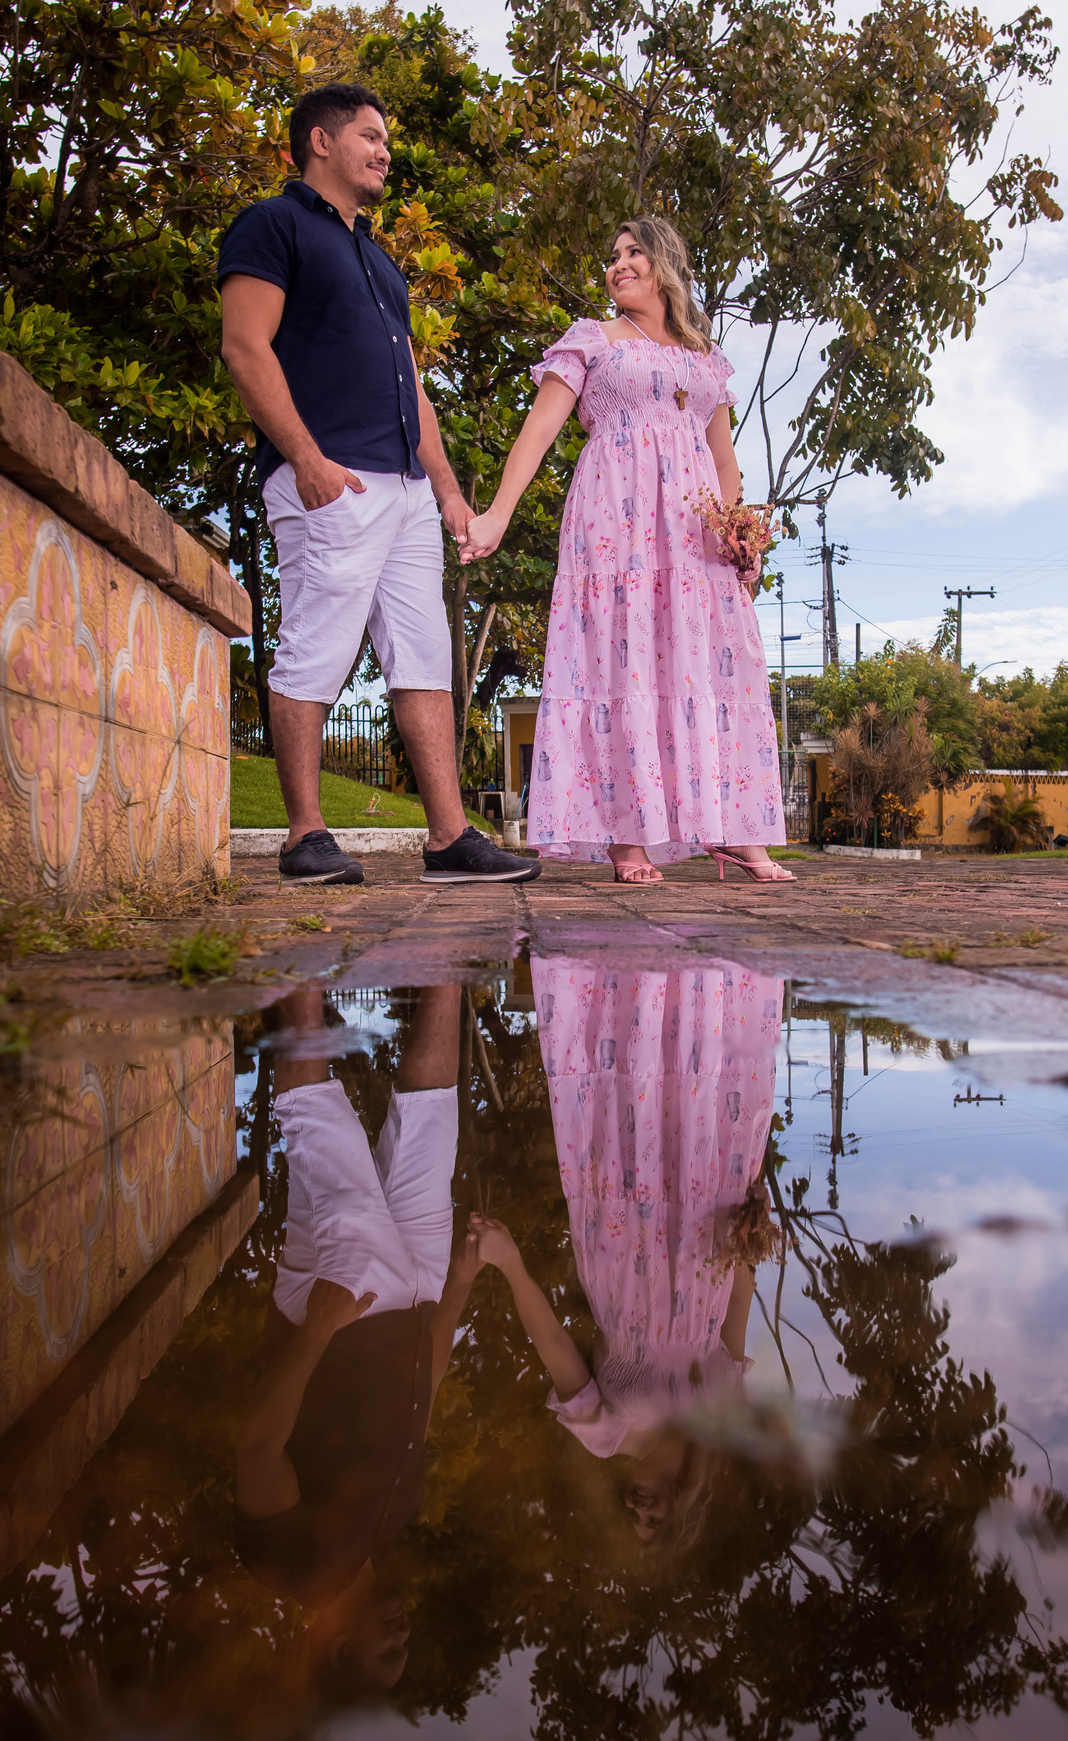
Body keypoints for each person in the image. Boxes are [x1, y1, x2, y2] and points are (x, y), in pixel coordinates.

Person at [219, 82, 539, 887]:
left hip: (403, 493)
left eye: (385, 139)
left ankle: (448, 837)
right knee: (316, 648)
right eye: (370, 135)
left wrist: (450, 494)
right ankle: (304, 836)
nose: (384, 150)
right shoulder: (273, 225)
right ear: (320, 142)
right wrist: (308, 460)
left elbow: (412, 387)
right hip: (330, 480)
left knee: (425, 659)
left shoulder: (379, 261)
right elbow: (245, 348)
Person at [460, 218, 793, 885]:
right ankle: (628, 836)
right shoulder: (593, 340)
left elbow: (723, 459)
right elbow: (539, 432)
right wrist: (497, 512)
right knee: (624, 663)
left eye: (633, 252)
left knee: (711, 668)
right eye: (613, 256)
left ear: (666, 262)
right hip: (616, 527)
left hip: (695, 542)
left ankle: (736, 829)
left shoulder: (706, 359)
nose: (619, 265)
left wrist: (737, 536)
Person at [469, 959, 784, 1548]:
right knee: (696, 1093)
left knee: (624, 1101)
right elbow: (736, 1303)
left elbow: (556, 1344)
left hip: (619, 1233)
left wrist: (511, 1265)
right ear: (685, 1507)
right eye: (655, 1522)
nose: (641, 1510)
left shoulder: (604, 1434)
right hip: (701, 1227)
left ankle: (622, 975)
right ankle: (700, 980)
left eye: (632, 1519)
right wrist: (748, 1224)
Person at [233, 984, 482, 1693]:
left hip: (347, 1310)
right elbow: (420, 1406)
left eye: (387, 1652)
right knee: (432, 1126)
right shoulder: (385, 1530)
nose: (402, 1635)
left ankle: (302, 970)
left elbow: (256, 1446)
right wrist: (456, 1288)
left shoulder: (292, 1568)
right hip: (417, 1294)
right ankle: (442, 966)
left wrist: (317, 1330)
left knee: (324, 1135)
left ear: (339, 1650)